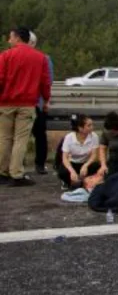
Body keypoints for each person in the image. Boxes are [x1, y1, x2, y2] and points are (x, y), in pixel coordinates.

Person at [0, 27, 52, 187]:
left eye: (11, 37)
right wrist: (46, 99)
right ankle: (16, 173)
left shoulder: (5, 56)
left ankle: (2, 172)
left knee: (4, 138)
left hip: (6, 103)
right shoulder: (40, 58)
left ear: (17, 38)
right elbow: (45, 82)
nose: (9, 41)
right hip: (28, 104)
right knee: (20, 139)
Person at [28, 32, 54, 175]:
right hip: (37, 102)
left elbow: (47, 82)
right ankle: (39, 164)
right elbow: (48, 82)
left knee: (38, 135)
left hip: (33, 102)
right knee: (39, 135)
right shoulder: (45, 58)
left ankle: (39, 163)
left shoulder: (44, 59)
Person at [58, 113, 101, 189]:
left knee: (97, 167)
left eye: (92, 125)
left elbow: (94, 155)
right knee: (62, 171)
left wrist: (86, 165)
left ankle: (82, 182)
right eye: (89, 125)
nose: (92, 127)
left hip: (86, 163)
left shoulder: (94, 136)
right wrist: (72, 171)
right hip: (73, 163)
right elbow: (64, 158)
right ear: (80, 128)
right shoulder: (69, 138)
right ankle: (69, 181)